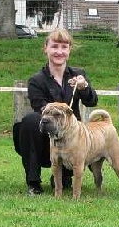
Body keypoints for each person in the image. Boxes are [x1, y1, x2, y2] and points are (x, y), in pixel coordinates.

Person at [12, 28, 98, 196]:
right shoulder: (37, 80)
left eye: (64, 47)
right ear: (46, 48)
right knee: (30, 121)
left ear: (69, 50)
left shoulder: (78, 74)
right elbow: (41, 109)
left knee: (63, 184)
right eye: (55, 46)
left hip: (73, 138)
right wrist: (62, 110)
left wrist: (84, 87)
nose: (59, 51)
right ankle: (33, 182)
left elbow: (92, 101)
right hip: (46, 139)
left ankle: (63, 175)